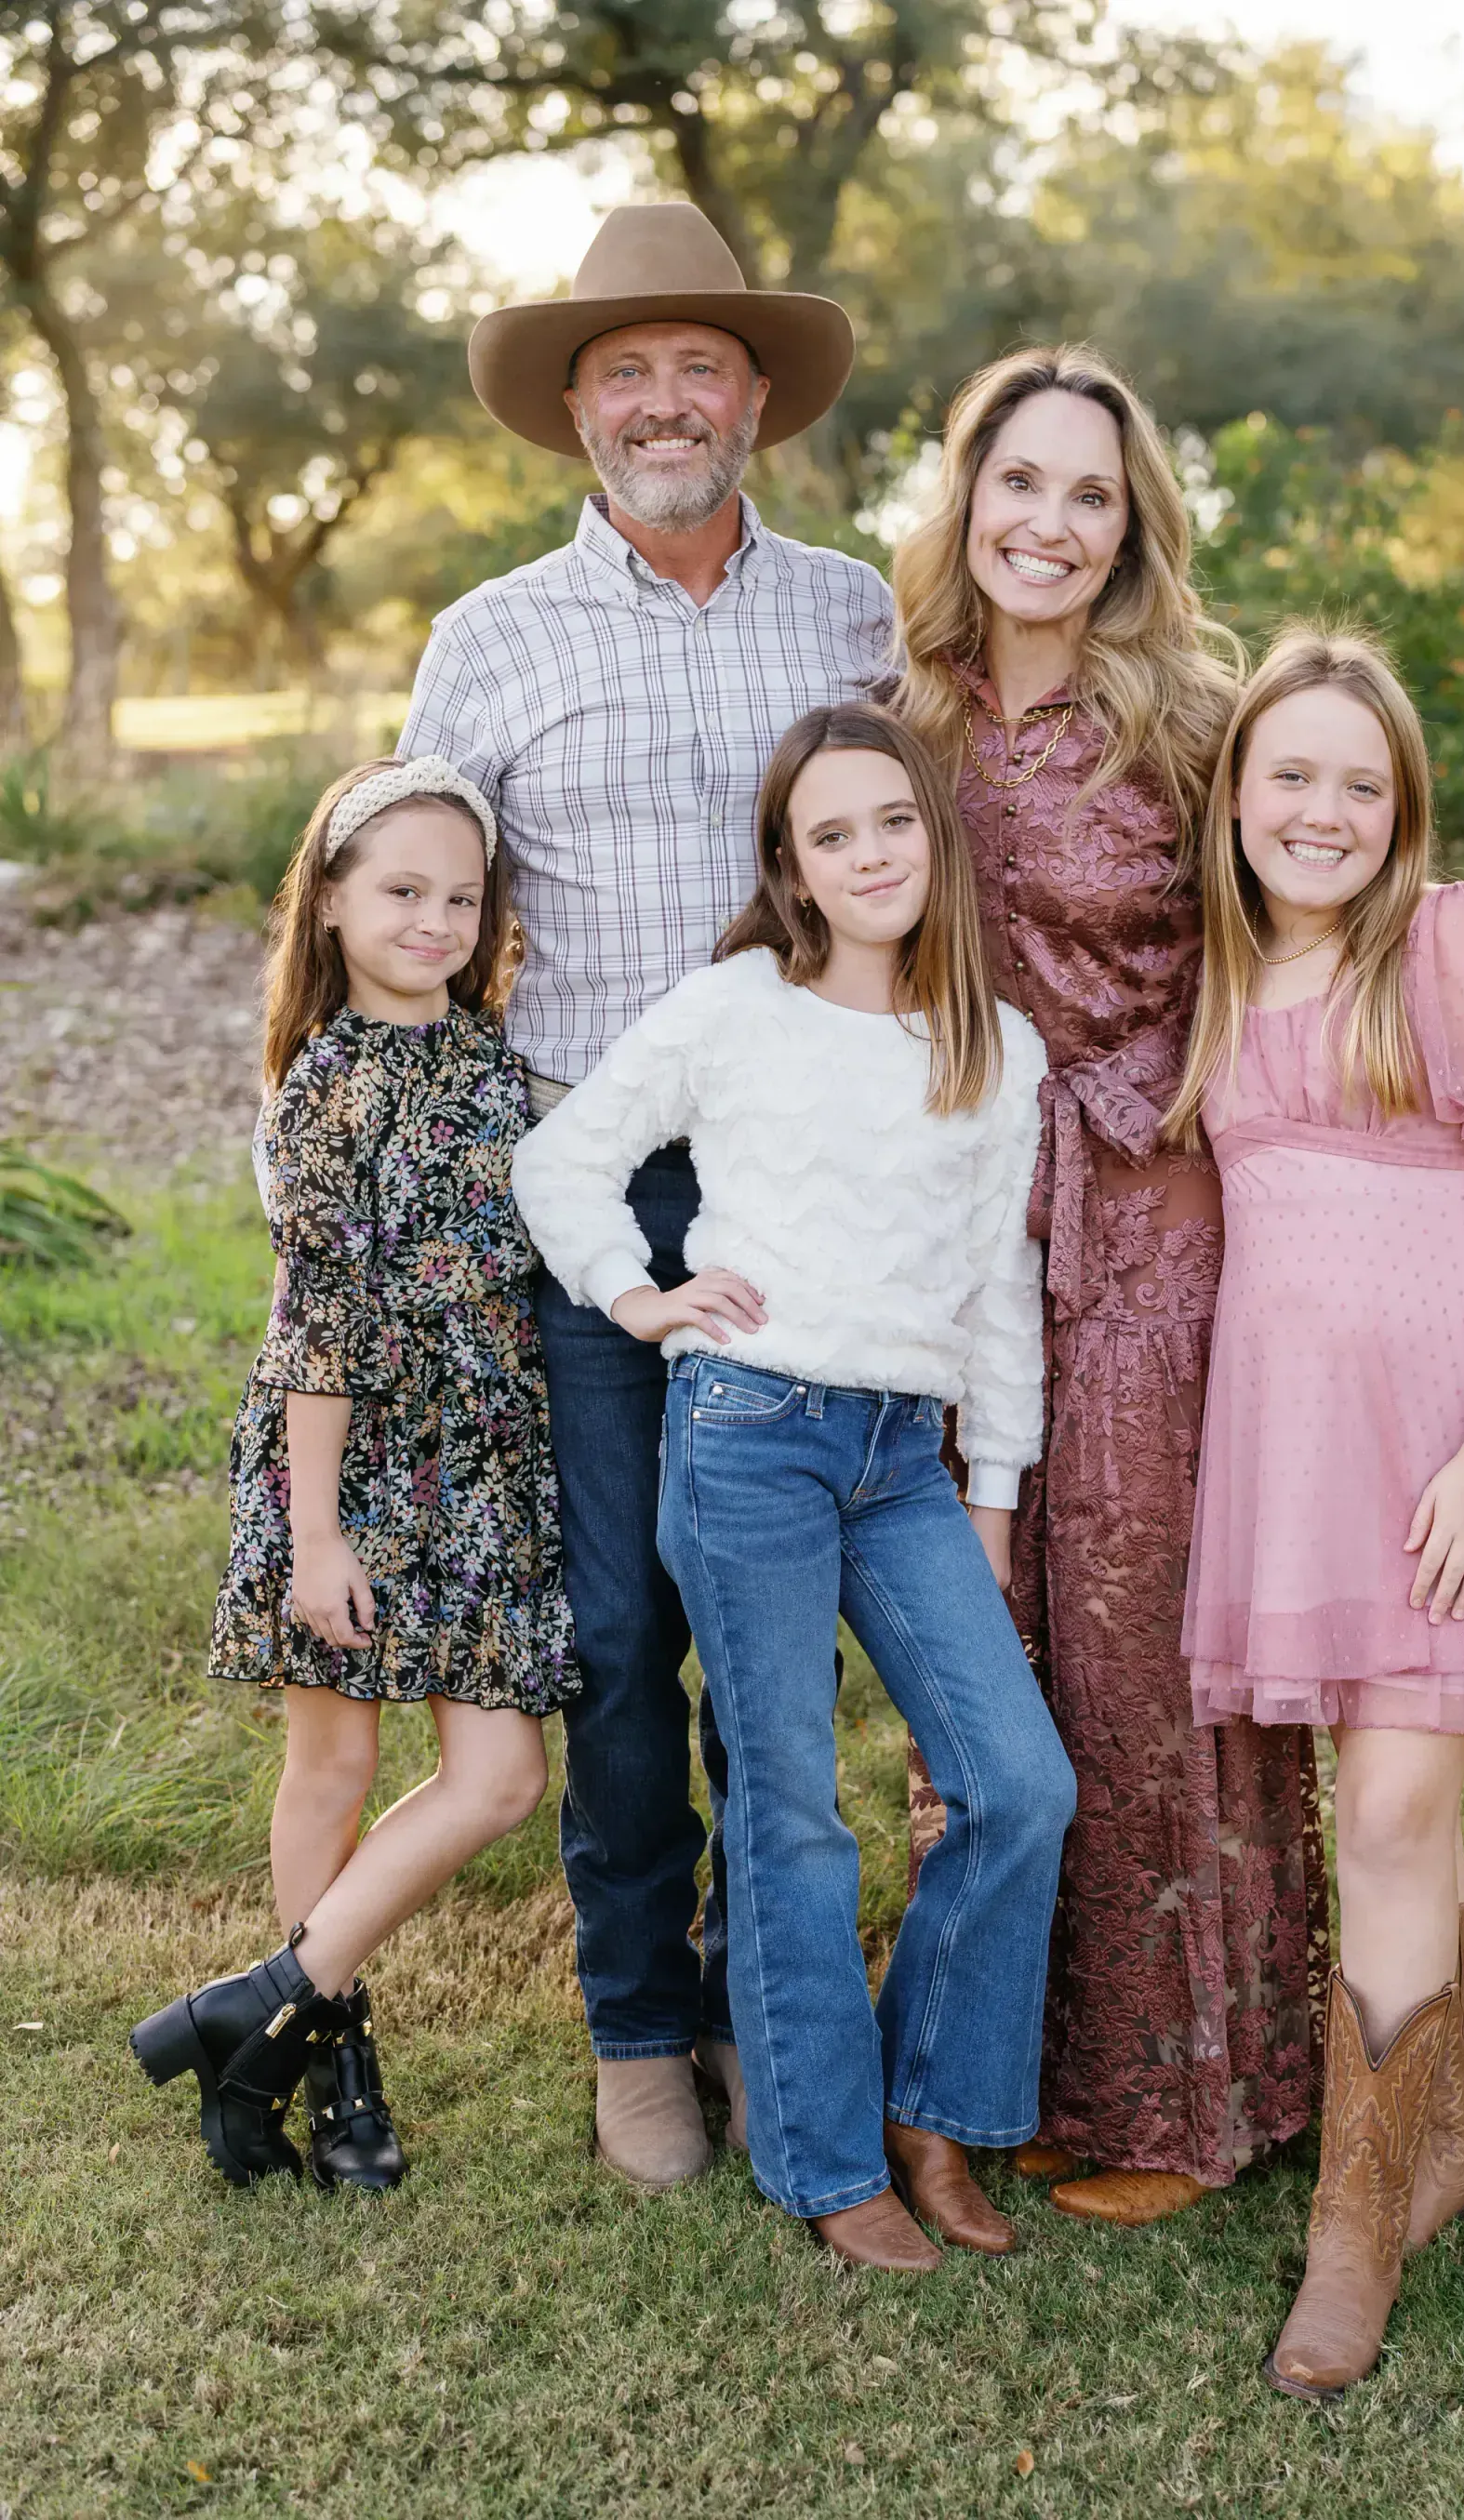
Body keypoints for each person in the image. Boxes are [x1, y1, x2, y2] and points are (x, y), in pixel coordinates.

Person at [892, 347, 1464, 2227]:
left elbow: (1346, 866)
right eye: (1018, 482)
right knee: (991, 1641)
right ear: (965, 495)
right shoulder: (901, 717)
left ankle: (1198, 2089)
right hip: (971, 1236)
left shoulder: (1191, 714)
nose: (1049, 521)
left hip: (1176, 1223)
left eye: (1091, 495)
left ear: (1135, 532)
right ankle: (1001, 2066)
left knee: (1159, 1679)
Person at [397, 203, 892, 2189]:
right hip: (584, 1195)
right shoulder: (489, 638)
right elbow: (405, 926)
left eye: (701, 363)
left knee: (776, 1621)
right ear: (577, 411)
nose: (667, 399)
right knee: (615, 1632)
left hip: (803, 1190)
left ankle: (766, 1993)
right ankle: (636, 2020)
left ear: (755, 394)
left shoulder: (859, 614)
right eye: (628, 371)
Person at [512, 704, 1075, 2272]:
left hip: (904, 1459)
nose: (871, 852)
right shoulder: (736, 1007)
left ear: (932, 835)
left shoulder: (994, 1045)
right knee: (796, 1809)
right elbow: (561, 1159)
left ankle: (933, 2109)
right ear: (795, 867)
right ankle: (827, 2160)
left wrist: (997, 1495)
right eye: (834, 835)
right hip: (751, 1434)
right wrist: (640, 1295)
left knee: (1019, 1783)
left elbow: (996, 1294)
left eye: (894, 820)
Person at [1170, 626, 1464, 2399]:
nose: (1324, 809)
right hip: (1300, 1451)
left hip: (1453, 1439)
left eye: (1362, 783)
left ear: (1406, 808)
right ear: (1234, 797)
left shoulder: (1448, 940)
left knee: (1387, 1803)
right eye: (1289, 773)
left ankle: (1358, 2221)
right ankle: (1452, 2133)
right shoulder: (1221, 973)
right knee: (1377, 1801)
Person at [131, 757, 578, 2192]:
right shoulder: (321, 1090)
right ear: (327, 901)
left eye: (461, 895)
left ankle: (249, 2011)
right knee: (333, 1761)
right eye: (401, 889)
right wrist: (315, 1533)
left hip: (484, 1466)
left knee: (499, 1777)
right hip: (351, 1464)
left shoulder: (500, 1065)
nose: (436, 918)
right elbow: (317, 1320)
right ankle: (330, 2055)